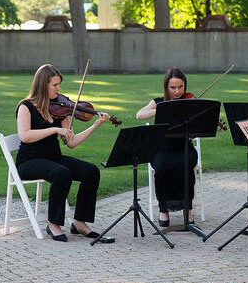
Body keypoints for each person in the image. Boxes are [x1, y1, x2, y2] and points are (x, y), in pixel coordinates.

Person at [16, 64, 114, 243]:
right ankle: (53, 223)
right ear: (42, 85)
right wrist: (54, 130)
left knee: (91, 171)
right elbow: (25, 135)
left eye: (59, 84)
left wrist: (95, 125)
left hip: (54, 159)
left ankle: (79, 222)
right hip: (29, 162)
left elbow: (71, 142)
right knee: (62, 173)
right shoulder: (26, 106)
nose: (58, 89)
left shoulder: (60, 109)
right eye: (55, 85)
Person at [136, 67, 198, 227]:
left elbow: (198, 127)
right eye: (173, 88)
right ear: (166, 87)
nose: (177, 91)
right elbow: (140, 114)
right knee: (162, 167)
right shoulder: (158, 102)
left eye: (180, 87)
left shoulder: (190, 101)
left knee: (187, 166)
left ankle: (188, 209)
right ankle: (164, 210)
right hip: (161, 148)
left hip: (184, 146)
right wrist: (163, 108)